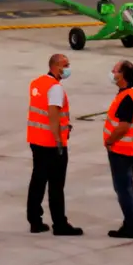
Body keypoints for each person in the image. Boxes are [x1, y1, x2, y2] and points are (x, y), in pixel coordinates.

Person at [26, 53, 83, 235]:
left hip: (36, 139)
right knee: (56, 185)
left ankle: (35, 220)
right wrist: (59, 140)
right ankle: (60, 223)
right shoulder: (55, 88)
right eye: (65, 65)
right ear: (56, 67)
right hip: (51, 144)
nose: (68, 68)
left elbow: (42, 112)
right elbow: (52, 114)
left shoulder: (37, 83)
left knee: (38, 181)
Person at [104, 59, 133, 239]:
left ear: (122, 75)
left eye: (114, 70)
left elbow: (123, 126)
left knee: (123, 189)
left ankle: (132, 225)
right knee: (128, 187)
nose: (112, 73)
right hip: (132, 149)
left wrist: (109, 141)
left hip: (122, 150)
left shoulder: (128, 97)